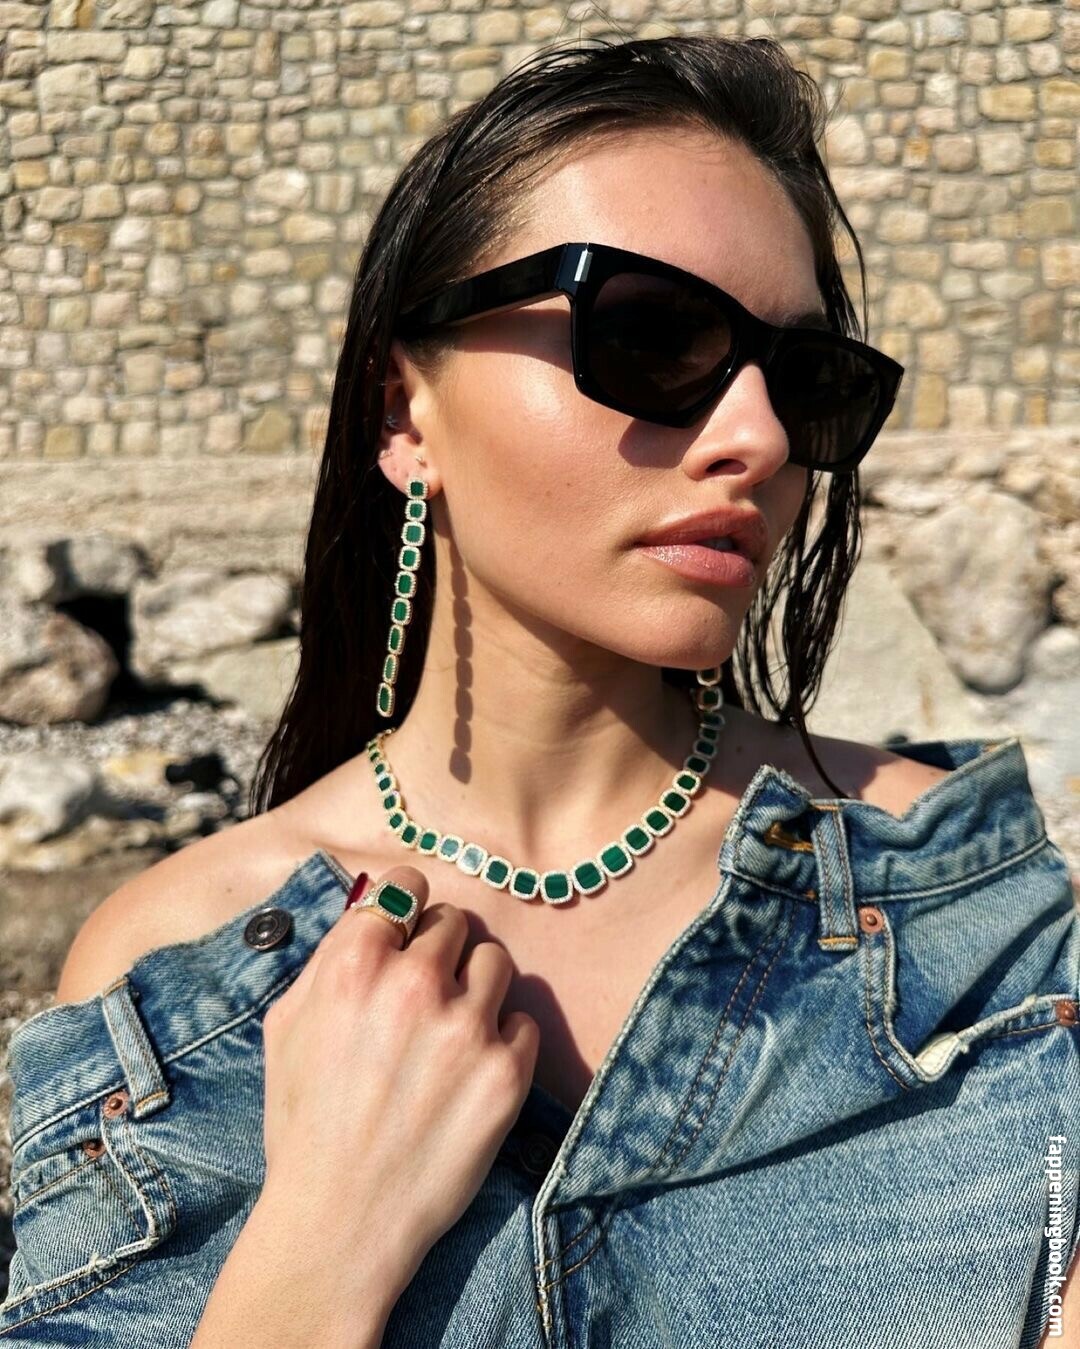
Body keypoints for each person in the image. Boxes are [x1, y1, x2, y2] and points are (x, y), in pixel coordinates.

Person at [2, 34, 1076, 1349]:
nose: (757, 438)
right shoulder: (177, 968)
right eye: (653, 334)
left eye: (807, 383)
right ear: (405, 415)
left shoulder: (963, 909)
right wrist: (322, 1243)